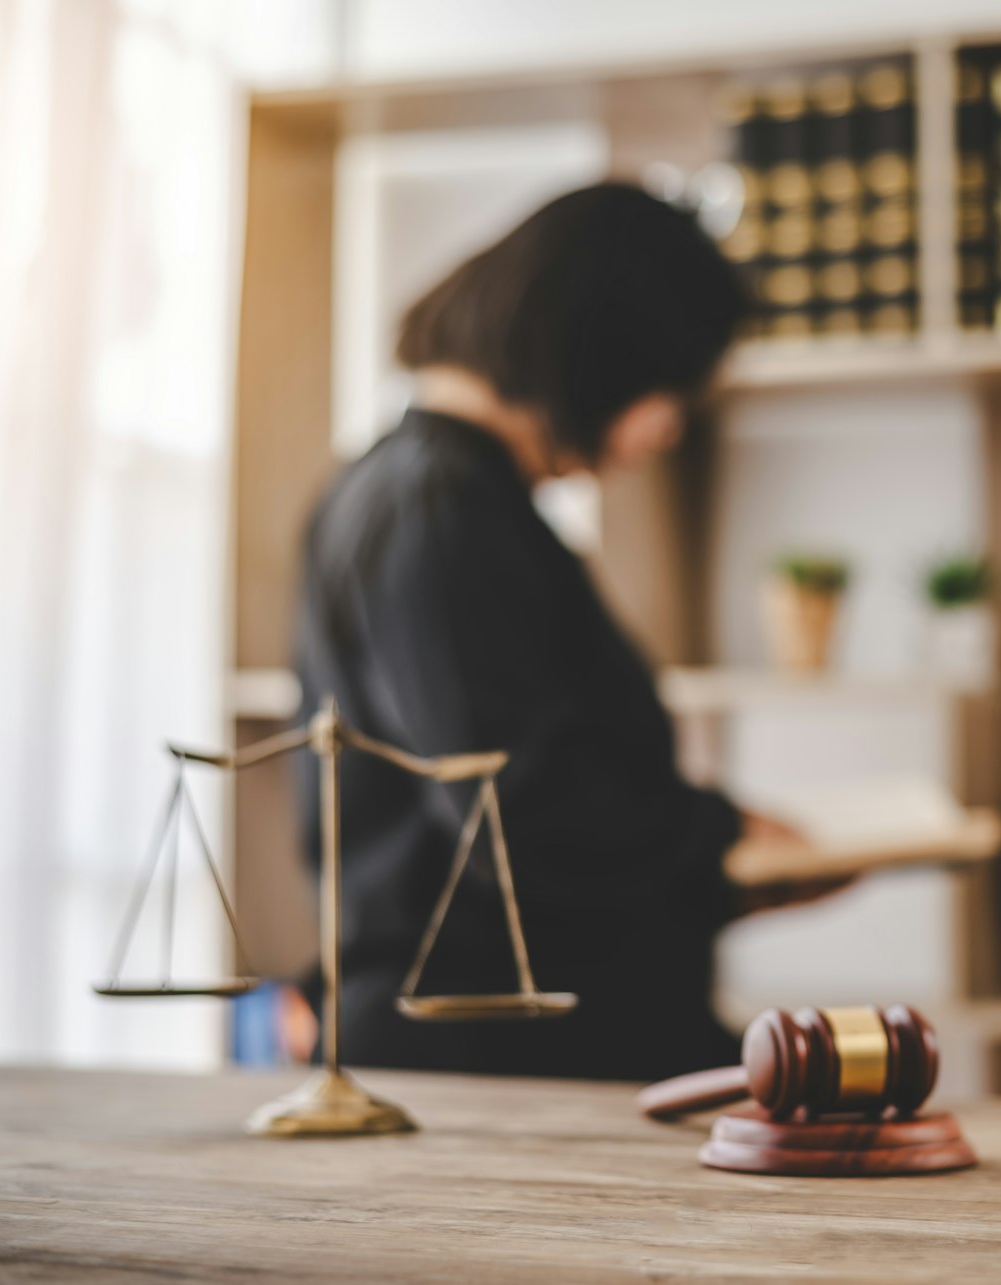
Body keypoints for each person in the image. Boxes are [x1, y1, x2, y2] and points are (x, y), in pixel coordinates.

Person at [292, 183, 834, 1082]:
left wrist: (719, 863)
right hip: (500, 1061)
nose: (667, 427)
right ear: (599, 346)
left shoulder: (417, 492)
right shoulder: (444, 510)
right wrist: (718, 843)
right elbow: (519, 811)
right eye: (671, 385)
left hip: (502, 1044)